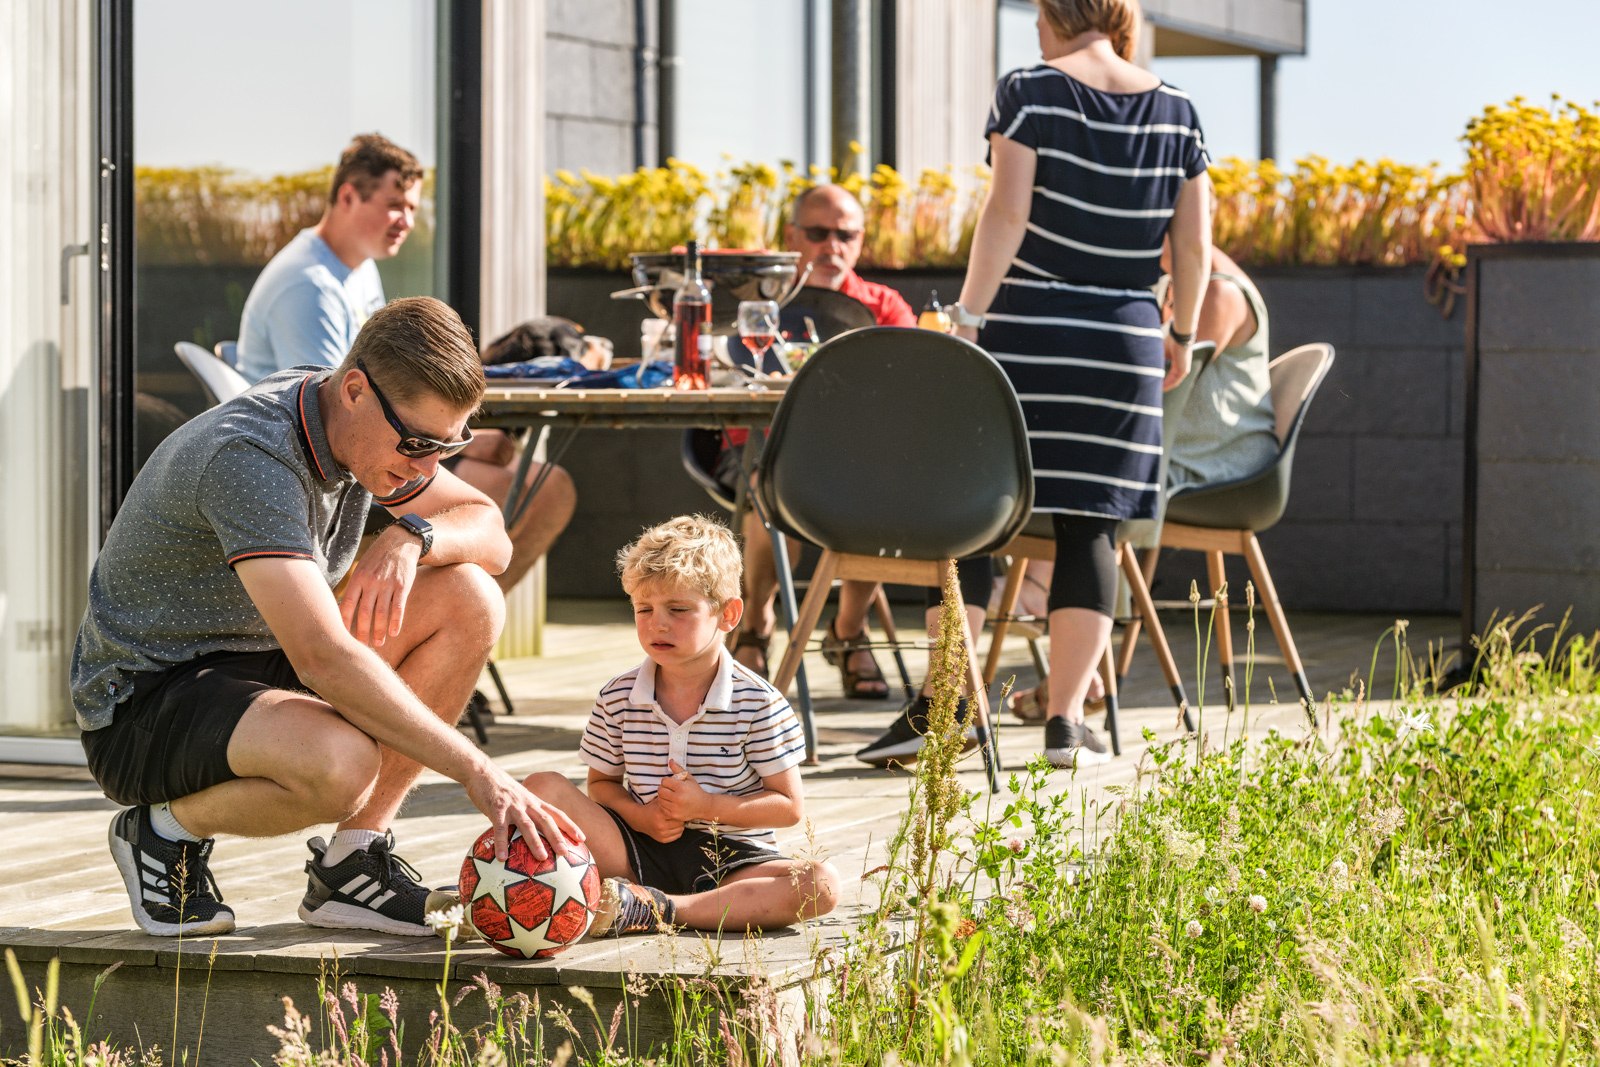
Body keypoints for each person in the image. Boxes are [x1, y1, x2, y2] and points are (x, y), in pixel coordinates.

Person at [72, 297, 584, 937]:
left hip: (259, 659)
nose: (426, 468)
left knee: (471, 596)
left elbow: (492, 534)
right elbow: (322, 658)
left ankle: (353, 864)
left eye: (448, 447)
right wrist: (480, 773)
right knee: (342, 765)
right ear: (355, 390)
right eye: (418, 443)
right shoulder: (251, 457)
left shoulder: (356, 424)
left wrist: (411, 537)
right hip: (144, 704)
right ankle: (160, 832)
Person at [939, 0, 1213, 768]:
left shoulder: (1029, 91)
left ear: (1058, 14)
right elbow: (1193, 247)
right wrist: (1181, 334)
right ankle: (1065, 723)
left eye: (1037, 16)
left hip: (1026, 331)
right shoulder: (1179, 111)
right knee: (1093, 527)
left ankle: (952, 706)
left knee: (972, 515)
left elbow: (1007, 213)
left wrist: (968, 317)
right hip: (1124, 342)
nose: (1034, 31)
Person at [236, 133, 575, 596]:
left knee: (530, 500)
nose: (408, 221)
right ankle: (395, 622)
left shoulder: (356, 270)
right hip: (319, 473)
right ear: (348, 196)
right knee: (545, 491)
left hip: (366, 449)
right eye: (395, 205)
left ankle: (408, 618)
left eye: (413, 208)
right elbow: (341, 413)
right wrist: (456, 445)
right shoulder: (308, 286)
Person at [511, 516, 841, 936]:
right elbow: (602, 786)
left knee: (820, 884)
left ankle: (657, 909)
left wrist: (705, 806)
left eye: (679, 609)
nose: (658, 624)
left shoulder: (758, 702)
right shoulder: (617, 695)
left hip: (730, 860)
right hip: (635, 847)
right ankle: (497, 896)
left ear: (728, 614)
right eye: (644, 609)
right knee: (541, 787)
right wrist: (641, 817)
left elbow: (789, 807)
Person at [1003, 241, 1272, 722]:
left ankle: (1044, 610)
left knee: (1093, 479)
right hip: (1177, 443)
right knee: (1083, 467)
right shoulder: (1172, 286)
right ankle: (1077, 673)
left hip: (1219, 459)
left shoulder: (1217, 294)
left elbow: (1166, 381)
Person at [729, 184, 916, 702]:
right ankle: (756, 624)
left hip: (861, 458)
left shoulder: (885, 305)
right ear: (792, 238)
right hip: (764, 448)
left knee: (883, 492)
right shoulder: (760, 305)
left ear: (861, 241)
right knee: (773, 486)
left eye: (846, 235)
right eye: (817, 233)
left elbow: (914, 382)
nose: (832, 246)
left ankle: (849, 628)